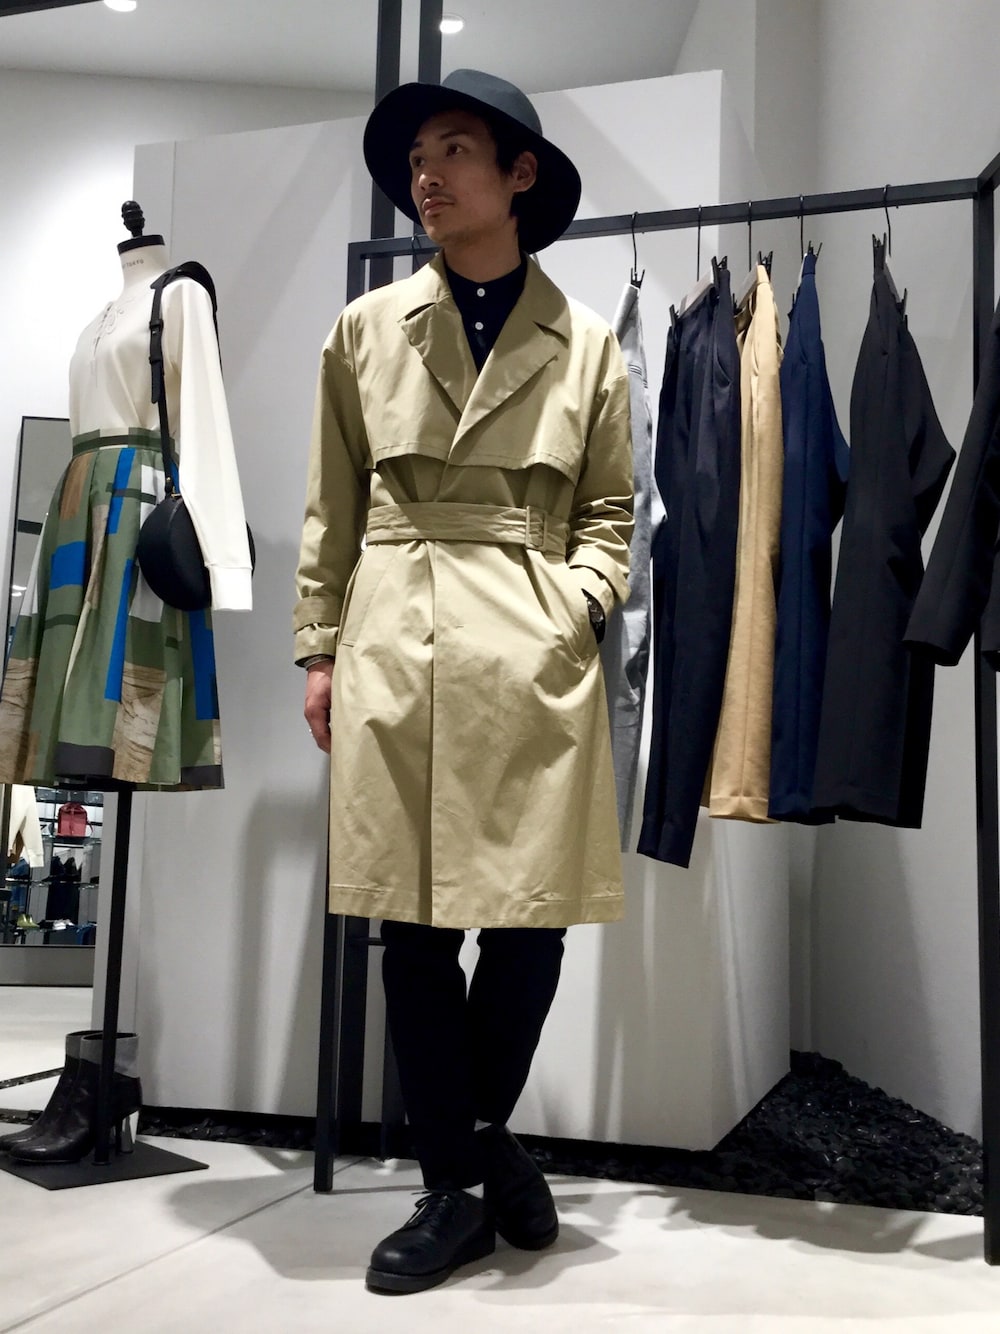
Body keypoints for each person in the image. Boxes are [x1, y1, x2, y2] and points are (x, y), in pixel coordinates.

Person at [294, 68, 634, 1295]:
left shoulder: (585, 342)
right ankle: (460, 1180)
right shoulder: (365, 329)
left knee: (530, 914)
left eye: (451, 151)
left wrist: (574, 605)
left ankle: (473, 1150)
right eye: (414, 160)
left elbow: (610, 513)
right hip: (398, 636)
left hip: (531, 652)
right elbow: (331, 503)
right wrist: (321, 647)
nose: (424, 178)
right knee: (412, 920)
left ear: (518, 173)